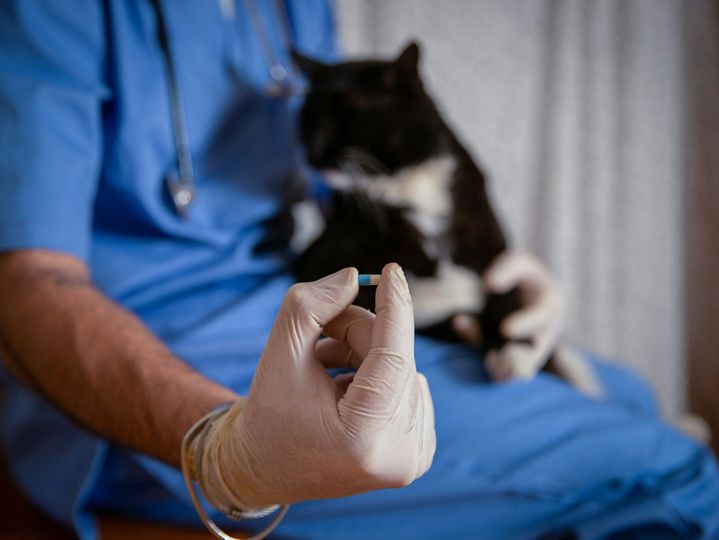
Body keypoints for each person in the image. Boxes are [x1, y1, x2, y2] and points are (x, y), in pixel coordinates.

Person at [0, 1, 717, 539]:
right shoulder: (51, 13)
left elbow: (340, 184)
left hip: (288, 298)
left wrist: (483, 265)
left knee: (630, 394)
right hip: (137, 358)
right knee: (667, 473)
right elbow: (25, 286)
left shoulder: (290, 7)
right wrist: (224, 449)